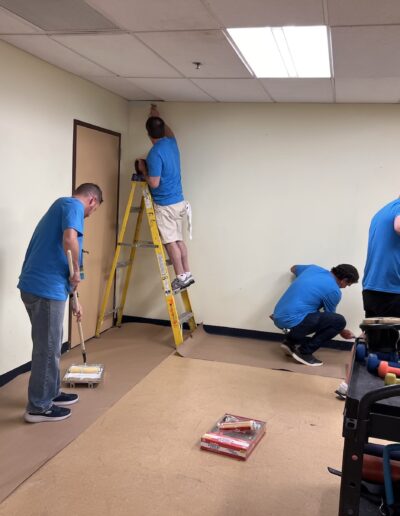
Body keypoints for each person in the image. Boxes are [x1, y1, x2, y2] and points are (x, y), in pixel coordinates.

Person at [18, 183, 103, 423]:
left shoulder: (62, 207)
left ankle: (51, 393)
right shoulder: (73, 205)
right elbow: (69, 240)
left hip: (43, 287)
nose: (89, 215)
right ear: (92, 201)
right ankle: (38, 407)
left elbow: (66, 258)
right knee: (47, 348)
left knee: (52, 344)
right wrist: (76, 269)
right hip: (44, 289)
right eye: (93, 210)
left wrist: (75, 298)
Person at [137, 104, 194, 294]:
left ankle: (180, 278)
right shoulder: (172, 142)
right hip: (179, 202)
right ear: (162, 129)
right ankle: (187, 273)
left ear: (148, 134)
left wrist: (143, 171)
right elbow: (168, 130)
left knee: (171, 242)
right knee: (179, 240)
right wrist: (157, 116)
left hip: (165, 205)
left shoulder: (154, 154)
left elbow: (154, 183)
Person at [272, 264, 359, 366]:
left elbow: (293, 268)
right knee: (339, 321)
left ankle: (289, 342)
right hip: (292, 322)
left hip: (277, 316)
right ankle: (304, 352)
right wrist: (342, 331)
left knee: (311, 312)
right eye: (347, 285)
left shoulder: (313, 269)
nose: (344, 287)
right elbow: (331, 318)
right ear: (344, 280)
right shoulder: (334, 291)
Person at [363, 197, 400, 317]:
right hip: (391, 289)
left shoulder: (382, 212)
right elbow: (398, 226)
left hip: (372, 287)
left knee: (377, 327)